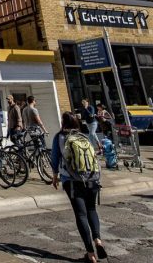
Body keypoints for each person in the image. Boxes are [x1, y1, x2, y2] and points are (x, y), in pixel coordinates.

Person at [51, 111, 107, 263]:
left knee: (81, 215)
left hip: (73, 180)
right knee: (92, 210)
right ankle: (98, 240)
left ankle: (90, 254)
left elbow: (54, 158)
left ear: (63, 122)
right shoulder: (83, 136)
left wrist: (55, 176)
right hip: (92, 179)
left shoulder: (60, 137)